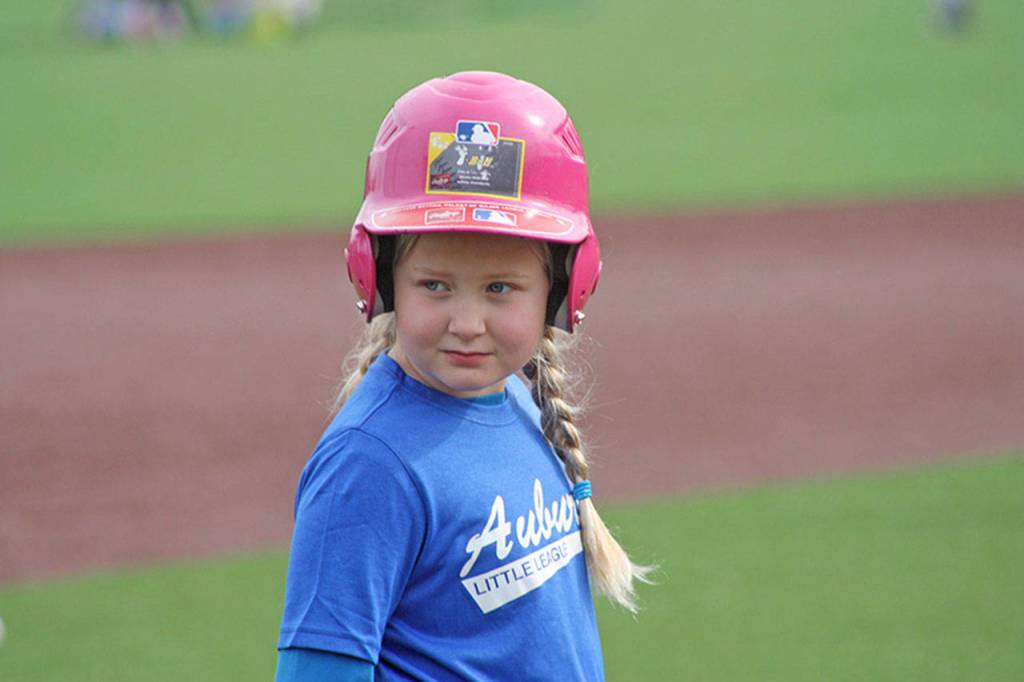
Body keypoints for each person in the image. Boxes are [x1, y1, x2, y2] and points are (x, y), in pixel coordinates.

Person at [275, 71, 651, 681]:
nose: (468, 323)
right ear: (381, 277)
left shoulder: (519, 399)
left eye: (500, 288)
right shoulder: (368, 465)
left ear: (561, 288)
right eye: (435, 286)